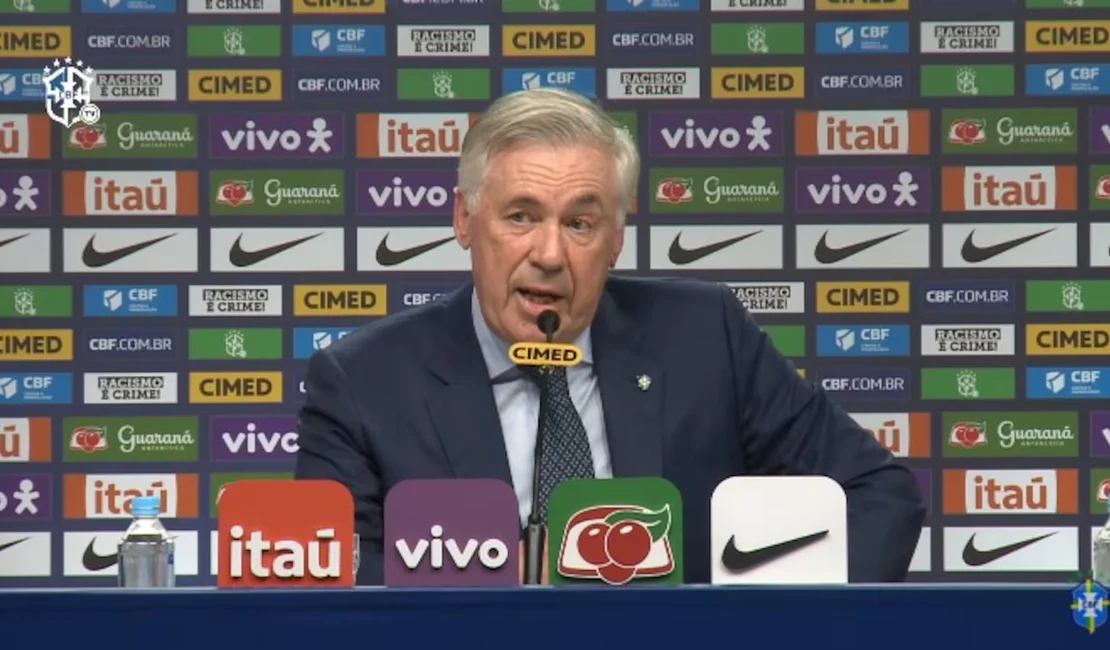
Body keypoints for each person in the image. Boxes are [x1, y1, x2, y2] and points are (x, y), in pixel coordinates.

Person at [294, 87, 925, 585]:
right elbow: (333, 574)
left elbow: (880, 495)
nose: (549, 254)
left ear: (616, 238)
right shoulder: (364, 382)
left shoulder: (705, 337)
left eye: (580, 223)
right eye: (521, 217)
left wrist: (761, 631)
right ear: (465, 219)